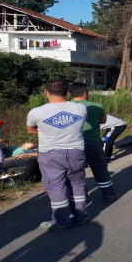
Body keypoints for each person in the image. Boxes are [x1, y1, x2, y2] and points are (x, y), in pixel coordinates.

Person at [26, 80, 89, 231]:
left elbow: (30, 130)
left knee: (55, 187)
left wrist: (45, 131)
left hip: (50, 154)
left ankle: (61, 222)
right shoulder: (80, 108)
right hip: (76, 152)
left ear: (45, 92)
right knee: (77, 185)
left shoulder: (36, 112)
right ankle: (81, 217)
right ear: (67, 92)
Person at [69, 83, 118, 202]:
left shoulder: (65, 107)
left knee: (75, 171)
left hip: (72, 144)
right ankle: (109, 194)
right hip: (93, 142)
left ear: (69, 94)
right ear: (85, 93)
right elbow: (103, 120)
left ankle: (79, 197)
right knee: (100, 168)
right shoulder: (96, 106)